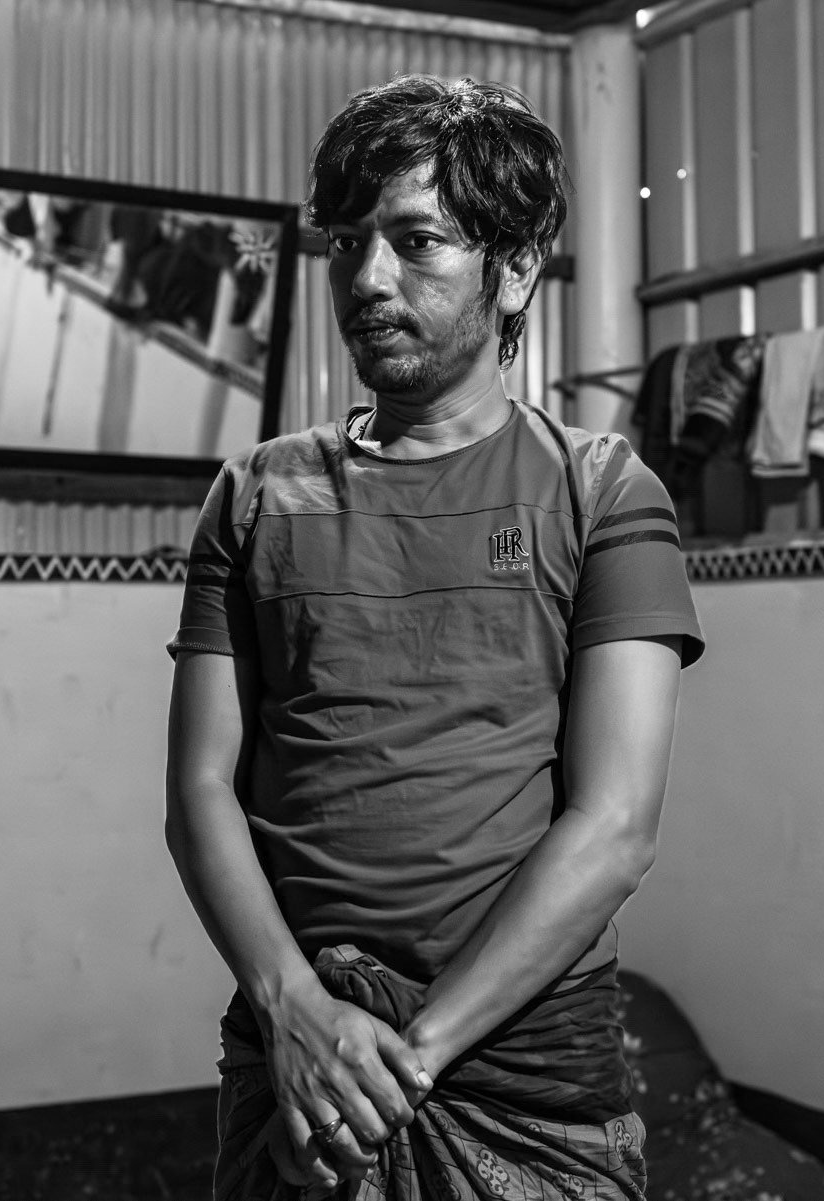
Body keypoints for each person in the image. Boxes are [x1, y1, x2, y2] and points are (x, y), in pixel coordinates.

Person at [164, 74, 705, 1200]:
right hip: (298, 1054)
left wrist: (405, 1059)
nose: (367, 279)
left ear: (514, 271)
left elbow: (614, 826)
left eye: (416, 241)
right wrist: (295, 1010)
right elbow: (200, 793)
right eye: (348, 244)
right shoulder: (258, 496)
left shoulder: (601, 493)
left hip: (517, 1068)